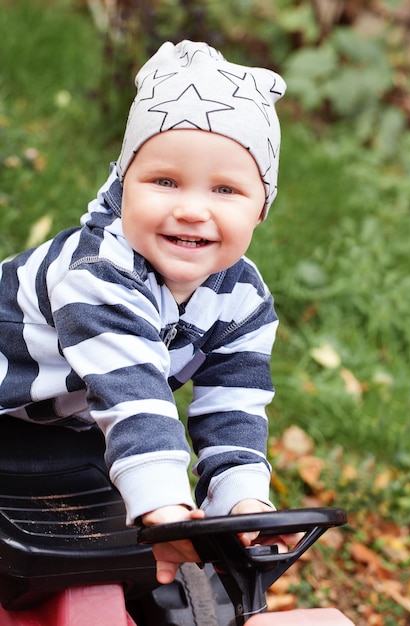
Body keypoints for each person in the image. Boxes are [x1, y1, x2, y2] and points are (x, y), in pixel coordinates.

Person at [0, 40, 289, 584]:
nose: (191, 208)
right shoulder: (98, 274)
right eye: (164, 181)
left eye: (226, 189)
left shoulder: (243, 298)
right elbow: (134, 392)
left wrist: (243, 500)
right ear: (123, 184)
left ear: (262, 209)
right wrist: (163, 506)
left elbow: (234, 406)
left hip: (64, 427)